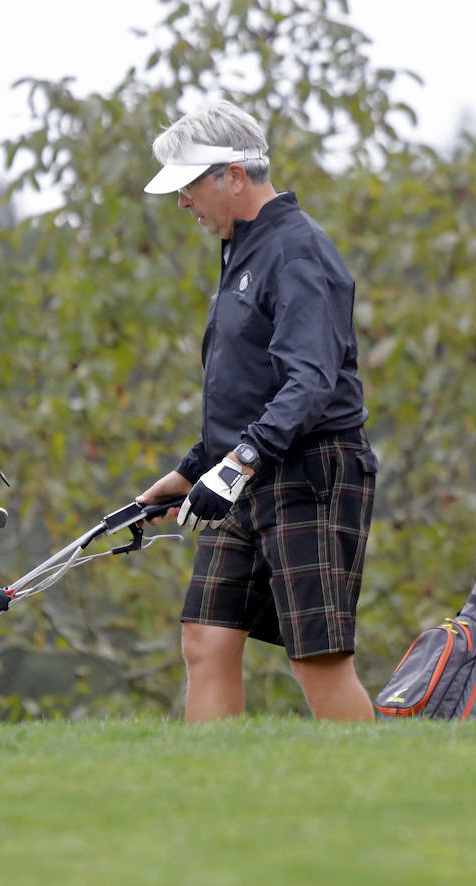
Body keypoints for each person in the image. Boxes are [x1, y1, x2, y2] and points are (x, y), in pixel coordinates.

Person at [135, 99, 379, 722]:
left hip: (309, 470)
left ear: (233, 176)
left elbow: (309, 382)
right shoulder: (242, 251)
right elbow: (247, 388)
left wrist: (236, 463)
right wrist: (193, 470)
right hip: (244, 471)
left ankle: (375, 796)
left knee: (316, 657)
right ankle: (216, 798)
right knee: (205, 638)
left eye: (189, 186)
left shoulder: (296, 251)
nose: (182, 202)